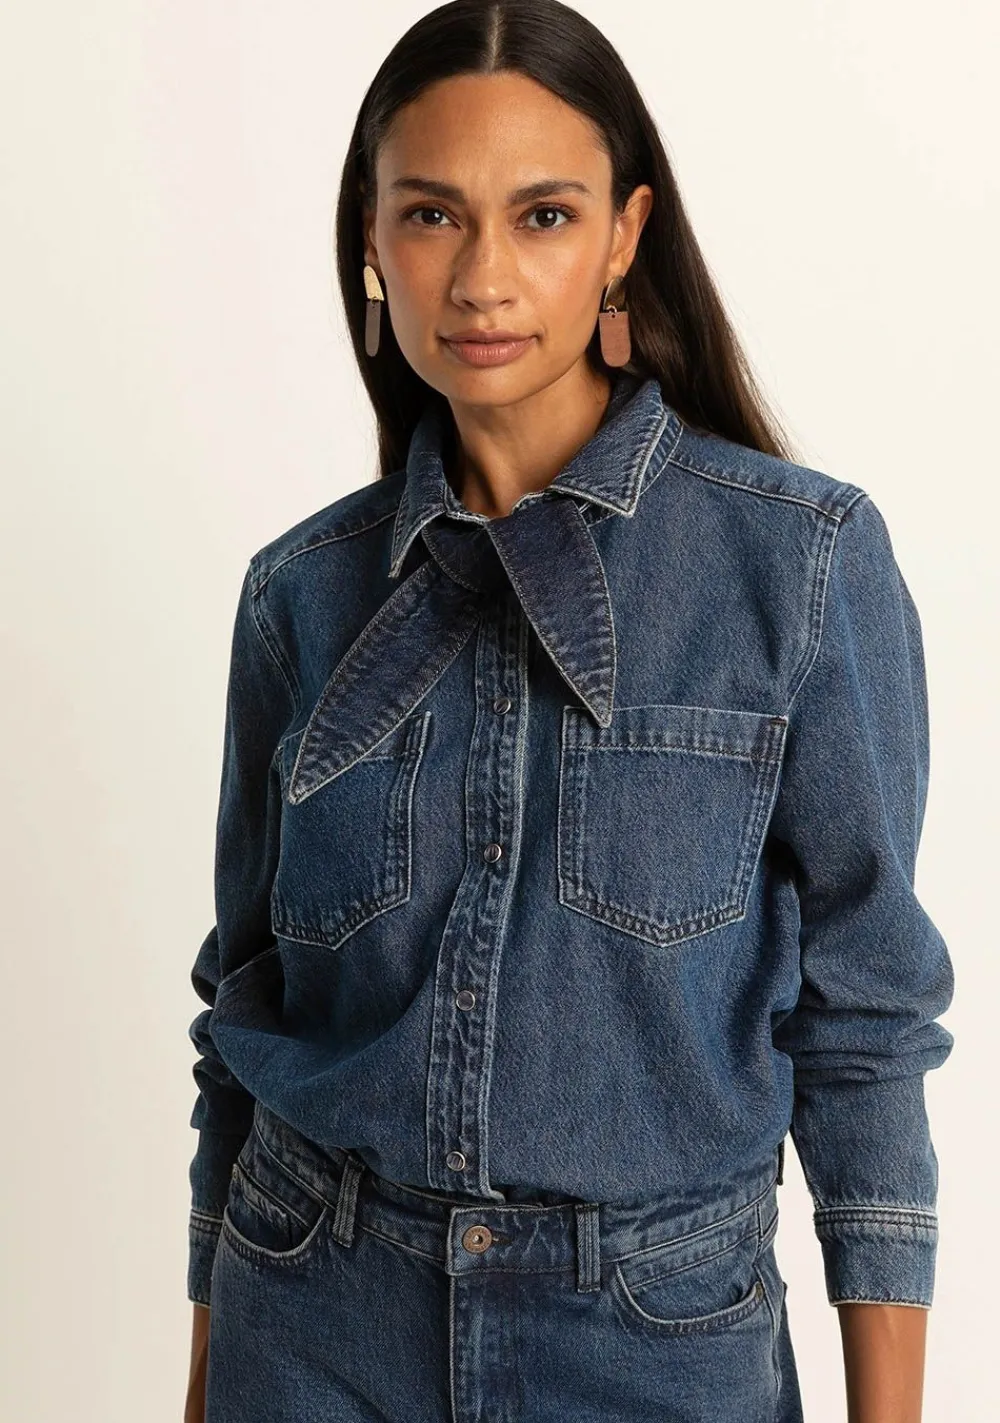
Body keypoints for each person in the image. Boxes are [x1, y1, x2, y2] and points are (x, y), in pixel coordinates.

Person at [183, 3, 955, 1420]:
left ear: (622, 235)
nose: (483, 278)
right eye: (432, 215)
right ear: (372, 241)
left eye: (543, 215)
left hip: (654, 1345)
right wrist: (203, 1379)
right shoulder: (300, 594)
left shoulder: (800, 566)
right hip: (311, 1323)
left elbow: (867, 1027)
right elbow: (239, 1012)